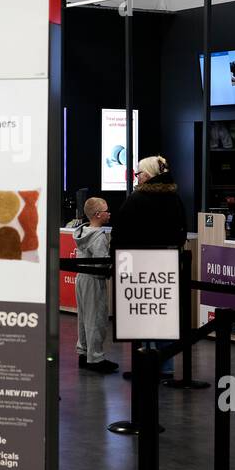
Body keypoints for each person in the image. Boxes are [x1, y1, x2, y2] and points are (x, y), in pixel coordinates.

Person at [109, 155, 188, 379]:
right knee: (163, 314)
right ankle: (165, 367)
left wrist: (117, 259)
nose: (137, 177)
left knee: (142, 316)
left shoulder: (137, 199)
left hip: (138, 265)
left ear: (149, 175)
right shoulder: (174, 198)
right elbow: (182, 230)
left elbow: (121, 231)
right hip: (167, 266)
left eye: (139, 173)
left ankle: (144, 366)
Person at [71, 197, 118, 374]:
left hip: (81, 279)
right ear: (98, 214)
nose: (109, 213)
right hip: (94, 280)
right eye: (106, 210)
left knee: (83, 318)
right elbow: (101, 264)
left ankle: (83, 352)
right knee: (96, 318)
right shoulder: (98, 237)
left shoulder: (82, 233)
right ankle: (95, 358)